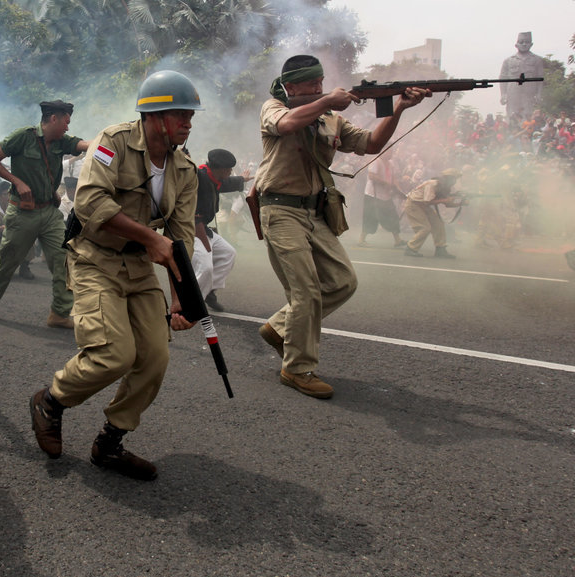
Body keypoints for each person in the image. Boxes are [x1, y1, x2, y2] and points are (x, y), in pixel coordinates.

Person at [29, 71, 201, 480]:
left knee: (155, 357)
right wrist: (150, 239)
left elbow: (181, 236)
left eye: (191, 116)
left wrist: (182, 295)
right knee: (113, 354)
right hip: (94, 259)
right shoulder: (114, 142)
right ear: (156, 116)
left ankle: (110, 443)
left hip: (139, 267)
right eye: (181, 115)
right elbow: (89, 202)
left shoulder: (184, 168)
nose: (189, 123)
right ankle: (50, 402)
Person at [254, 55, 429, 399]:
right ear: (291, 87)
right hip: (280, 208)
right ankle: (297, 368)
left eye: (321, 82)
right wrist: (325, 102)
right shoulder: (273, 107)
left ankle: (279, 328)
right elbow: (287, 124)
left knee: (343, 281)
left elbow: (372, 144)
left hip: (316, 211)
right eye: (310, 85)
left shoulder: (330, 119)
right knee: (306, 291)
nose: (319, 88)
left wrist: (400, 108)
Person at [0, 100, 89, 328]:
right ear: (54, 119)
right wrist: (17, 181)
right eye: (65, 122)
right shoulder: (23, 136)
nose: (68, 128)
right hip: (22, 213)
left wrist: (109, 142)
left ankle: (59, 313)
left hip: (49, 212)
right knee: (8, 263)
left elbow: (85, 145)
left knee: (63, 260)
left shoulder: (62, 141)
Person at [194, 148, 249, 312]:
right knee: (206, 266)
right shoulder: (199, 179)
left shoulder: (211, 177)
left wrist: (242, 179)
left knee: (228, 253)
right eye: (229, 169)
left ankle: (208, 290)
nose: (231, 171)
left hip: (203, 228)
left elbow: (224, 184)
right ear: (221, 169)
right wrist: (206, 245)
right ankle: (190, 301)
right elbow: (194, 218)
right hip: (192, 230)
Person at [402, 169, 461, 258]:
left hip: (423, 205)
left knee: (439, 223)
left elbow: (447, 204)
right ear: (449, 178)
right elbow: (427, 201)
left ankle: (440, 249)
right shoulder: (432, 184)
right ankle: (411, 248)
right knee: (425, 228)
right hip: (414, 204)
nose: (454, 182)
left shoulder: (444, 187)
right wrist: (445, 200)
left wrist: (461, 203)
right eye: (454, 179)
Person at [358, 150, 405, 248]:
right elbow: (371, 176)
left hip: (386, 195)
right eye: (389, 151)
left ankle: (397, 240)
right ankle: (361, 239)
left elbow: (393, 178)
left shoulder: (391, 163)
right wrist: (385, 183)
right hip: (373, 195)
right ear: (384, 151)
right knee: (370, 217)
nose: (391, 154)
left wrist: (399, 190)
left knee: (393, 216)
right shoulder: (376, 161)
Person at [499, 32, 545, 122]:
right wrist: (503, 94)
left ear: (531, 44)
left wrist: (539, 94)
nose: (524, 44)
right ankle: (511, 131)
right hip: (512, 91)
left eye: (527, 42)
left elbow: (540, 78)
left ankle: (527, 132)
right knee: (512, 114)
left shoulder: (537, 60)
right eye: (521, 42)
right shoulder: (508, 60)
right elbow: (502, 78)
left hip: (529, 92)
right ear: (516, 44)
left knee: (528, 114)